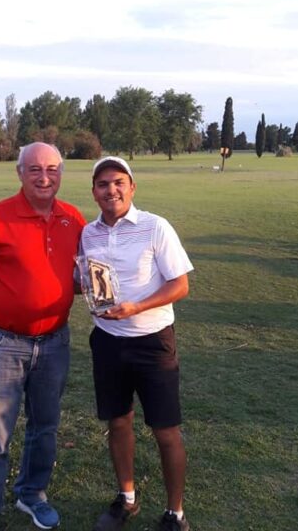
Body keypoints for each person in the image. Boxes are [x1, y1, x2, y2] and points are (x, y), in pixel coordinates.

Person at [0, 142, 86, 531]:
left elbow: (80, 276)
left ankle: (31, 494)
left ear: (61, 173)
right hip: (4, 343)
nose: (44, 178)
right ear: (20, 173)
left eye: (52, 169)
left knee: (45, 427)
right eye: (35, 170)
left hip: (55, 341)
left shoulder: (73, 218)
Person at [81, 156, 194, 531]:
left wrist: (137, 307)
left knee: (165, 429)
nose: (110, 190)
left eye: (118, 182)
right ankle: (126, 498)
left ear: (132, 187)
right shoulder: (88, 233)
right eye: (102, 184)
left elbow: (180, 284)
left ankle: (175, 513)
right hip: (107, 342)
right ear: (94, 192)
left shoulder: (155, 226)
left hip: (152, 343)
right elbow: (90, 280)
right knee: (118, 422)